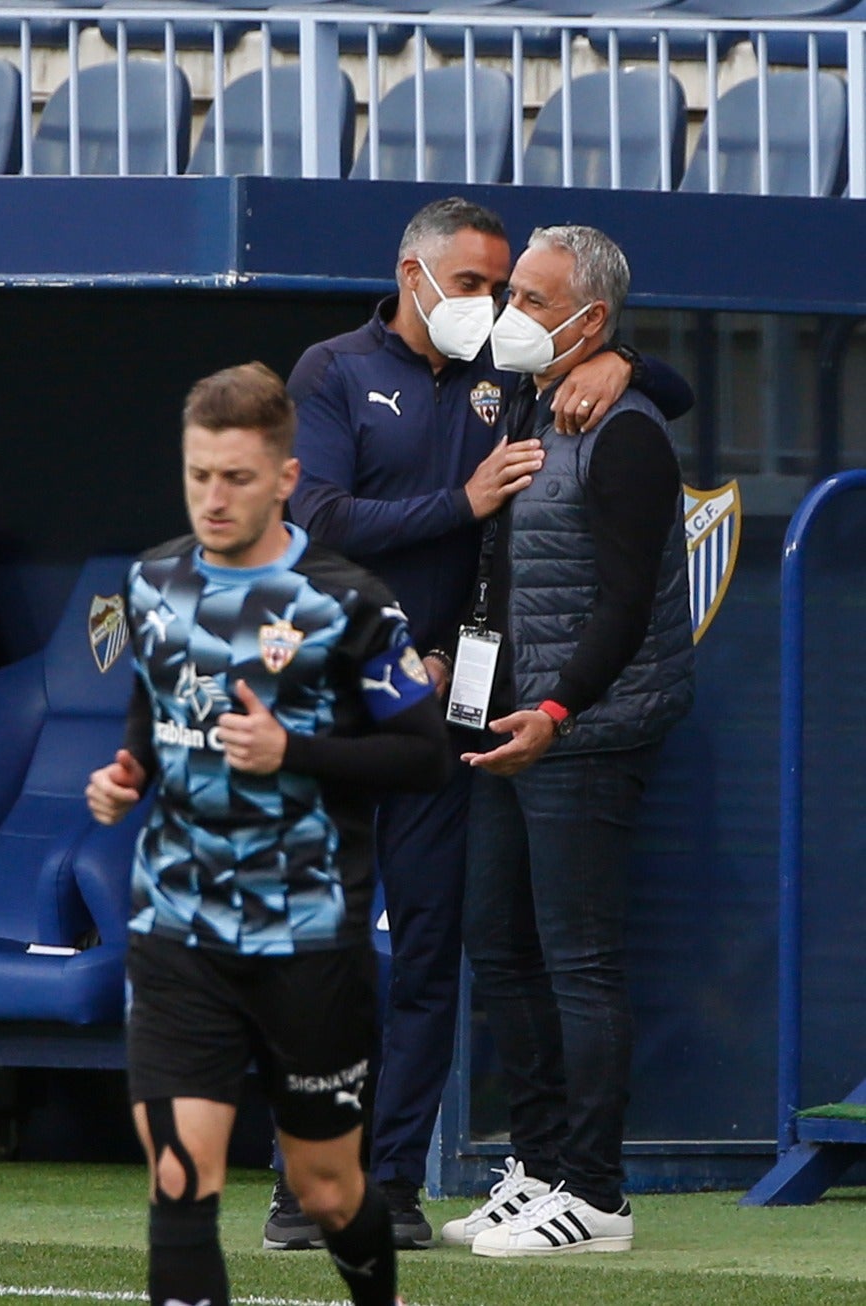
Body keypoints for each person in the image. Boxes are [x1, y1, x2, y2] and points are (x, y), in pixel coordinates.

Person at [277, 196, 694, 1250]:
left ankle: (415, 1182)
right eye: (475, 286)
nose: (492, 309)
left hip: (473, 711)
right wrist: (457, 506)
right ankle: (311, 1180)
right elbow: (316, 517)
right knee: (332, 950)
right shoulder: (332, 368)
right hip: (338, 692)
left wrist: (629, 366)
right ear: (411, 274)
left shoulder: (517, 380)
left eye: (508, 290)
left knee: (440, 952)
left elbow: (660, 394)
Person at [85, 361, 450, 1306]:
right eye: (199, 474)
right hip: (176, 928)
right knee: (180, 1177)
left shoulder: (347, 603)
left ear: (286, 478)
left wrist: (294, 749)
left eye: (237, 478)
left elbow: (421, 758)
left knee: (328, 1190)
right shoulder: (152, 582)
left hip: (308, 939)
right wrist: (128, 775)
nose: (213, 497)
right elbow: (152, 711)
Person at [440, 225, 695, 1256]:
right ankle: (541, 1166)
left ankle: (595, 1194)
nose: (510, 312)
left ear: (591, 322)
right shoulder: (535, 395)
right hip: (504, 723)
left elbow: (627, 602)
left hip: (579, 731)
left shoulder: (622, 425)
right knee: (497, 945)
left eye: (535, 299)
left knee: (578, 961)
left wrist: (556, 712)